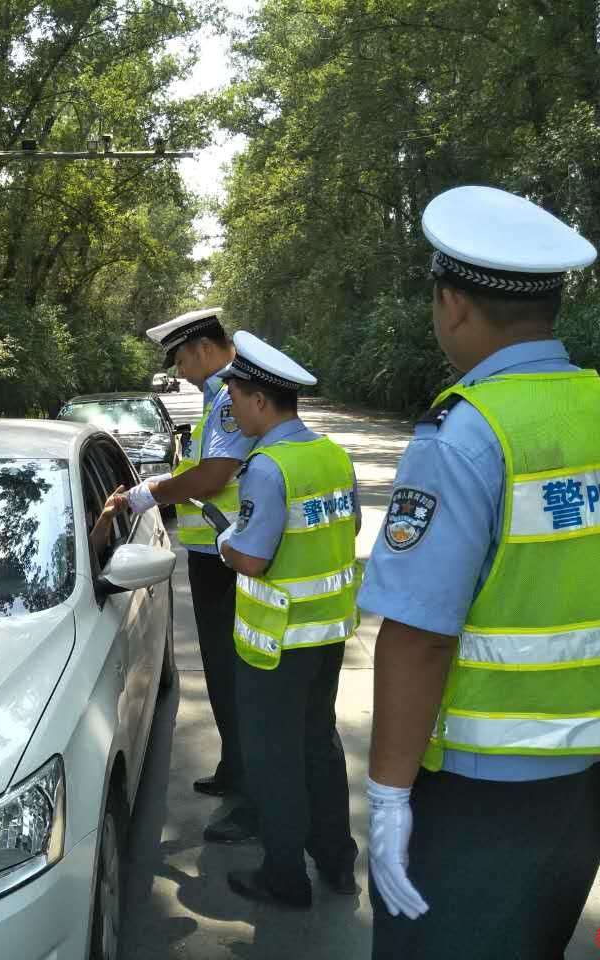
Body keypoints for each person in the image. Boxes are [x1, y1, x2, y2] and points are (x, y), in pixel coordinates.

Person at [360, 185, 600, 958]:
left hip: (481, 786)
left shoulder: (465, 433)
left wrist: (389, 795)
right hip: (592, 772)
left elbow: (417, 637)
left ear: (453, 305)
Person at [212, 331, 361, 907]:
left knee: (274, 759)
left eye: (235, 399)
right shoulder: (332, 456)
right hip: (327, 635)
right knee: (319, 746)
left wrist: (227, 537)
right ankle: (337, 862)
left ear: (259, 402)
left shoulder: (267, 468)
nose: (231, 411)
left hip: (274, 644)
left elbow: (251, 556)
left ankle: (284, 876)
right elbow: (346, 532)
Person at [121, 307, 257, 831]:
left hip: (231, 561)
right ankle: (235, 767)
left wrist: (147, 493)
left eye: (180, 356)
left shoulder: (229, 397)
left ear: (202, 348)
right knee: (223, 672)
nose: (178, 369)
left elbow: (213, 475)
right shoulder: (216, 396)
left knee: (235, 674)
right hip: (214, 557)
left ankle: (252, 795)